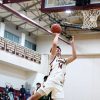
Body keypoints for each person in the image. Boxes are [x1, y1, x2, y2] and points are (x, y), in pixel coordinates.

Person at [29, 33, 77, 100]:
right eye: (56, 49)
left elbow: (74, 57)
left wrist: (72, 45)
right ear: (52, 52)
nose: (58, 50)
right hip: (51, 81)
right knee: (34, 97)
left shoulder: (64, 61)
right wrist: (57, 35)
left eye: (59, 49)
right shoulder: (52, 58)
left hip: (59, 85)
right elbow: (54, 44)